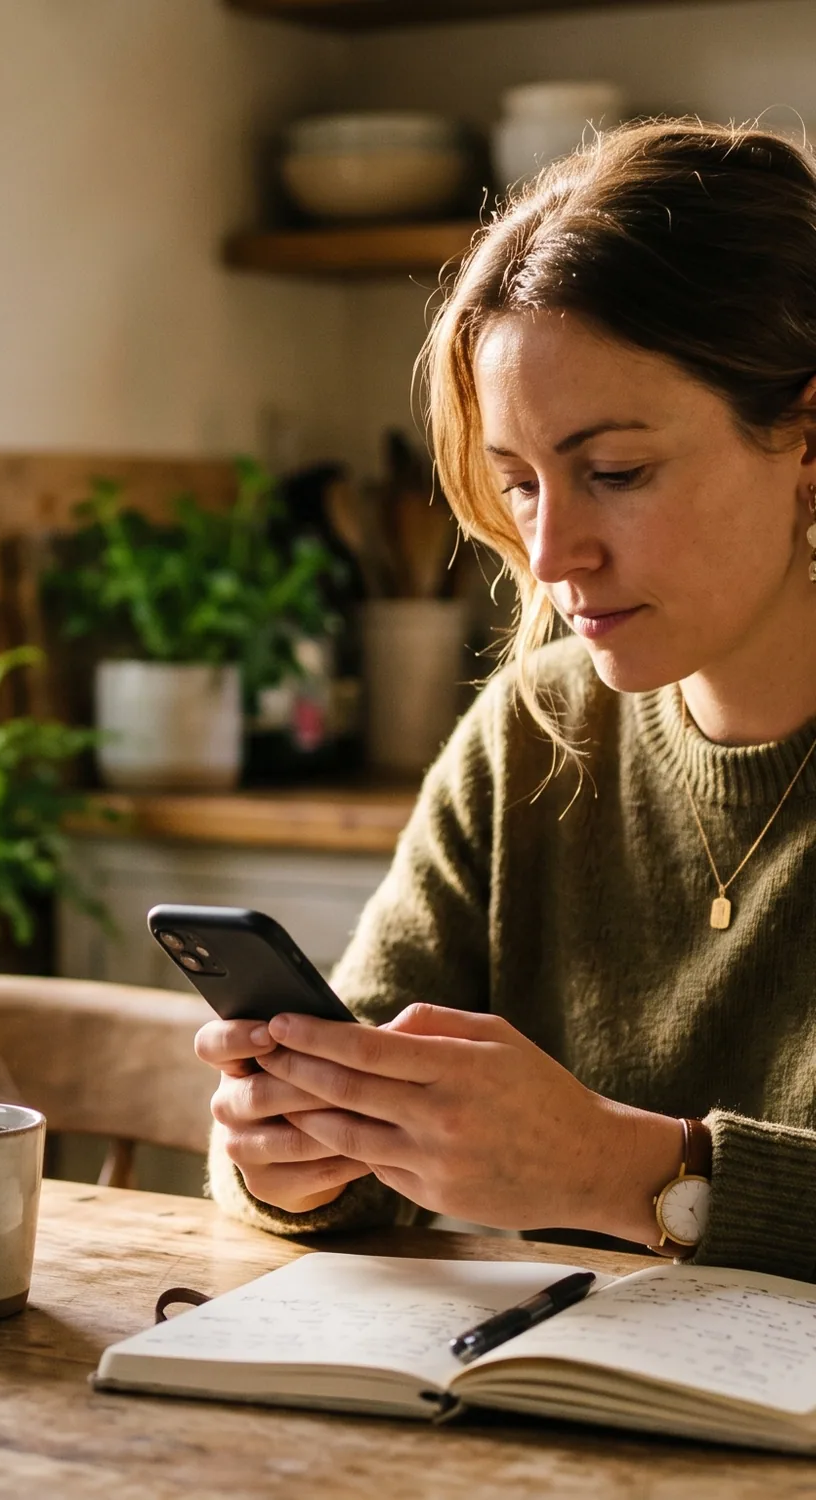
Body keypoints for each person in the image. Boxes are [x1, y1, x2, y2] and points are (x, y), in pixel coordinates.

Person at [198, 117, 816, 1282]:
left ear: (807, 438)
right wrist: (286, 1156)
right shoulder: (530, 736)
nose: (550, 554)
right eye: (519, 484)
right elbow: (342, 1100)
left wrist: (635, 1172)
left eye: (616, 473)